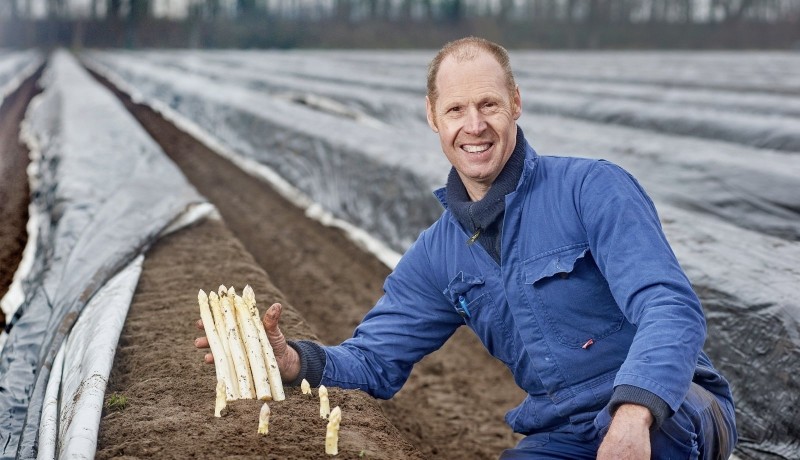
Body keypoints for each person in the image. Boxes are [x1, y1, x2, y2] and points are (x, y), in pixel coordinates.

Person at [195, 37, 737, 459]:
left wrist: (634, 412)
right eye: (456, 110)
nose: (474, 126)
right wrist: (293, 361)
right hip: (565, 428)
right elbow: (375, 360)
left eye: (488, 105)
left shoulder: (591, 189)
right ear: (432, 116)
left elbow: (670, 306)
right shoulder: (439, 255)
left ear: (516, 104)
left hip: (672, 405)